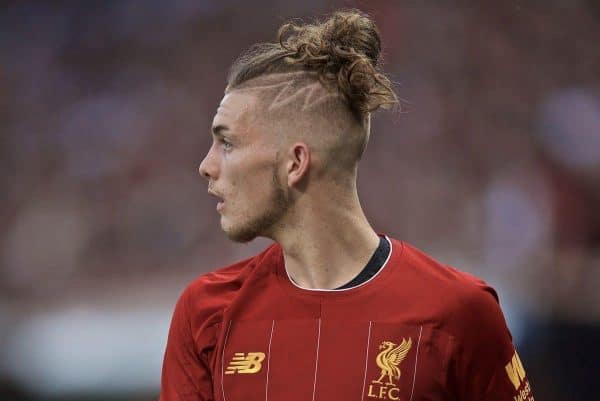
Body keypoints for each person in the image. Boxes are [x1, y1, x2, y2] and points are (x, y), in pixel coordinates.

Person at [160, 9, 534, 401]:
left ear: (295, 163)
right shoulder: (206, 314)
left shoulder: (459, 314)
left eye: (228, 143)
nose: (206, 166)